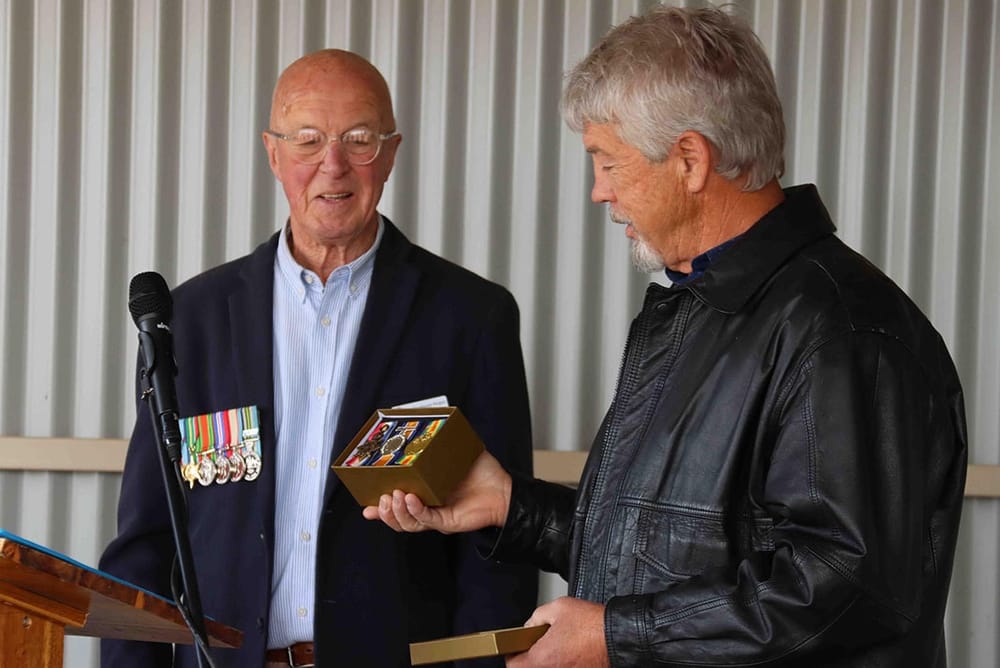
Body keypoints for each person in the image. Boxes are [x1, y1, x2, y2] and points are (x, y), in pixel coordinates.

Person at [366, 6, 968, 667]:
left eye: (608, 161)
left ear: (689, 159)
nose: (599, 191)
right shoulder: (698, 312)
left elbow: (843, 588)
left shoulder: (843, 332)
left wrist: (613, 637)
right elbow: (674, 557)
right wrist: (514, 507)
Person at [100, 49, 537, 667]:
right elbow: (146, 542)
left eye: (358, 139)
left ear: (390, 152)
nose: (332, 166)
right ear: (273, 153)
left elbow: (498, 548)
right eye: (307, 140)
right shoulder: (193, 319)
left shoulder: (470, 317)